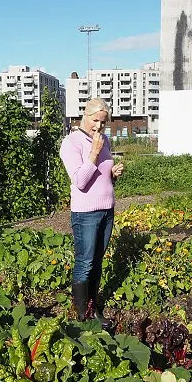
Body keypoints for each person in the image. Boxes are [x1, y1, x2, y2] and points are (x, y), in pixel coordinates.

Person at [60, 98, 124, 329]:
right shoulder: (71, 143)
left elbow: (100, 178)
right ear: (83, 117)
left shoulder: (104, 140)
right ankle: (81, 317)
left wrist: (113, 174)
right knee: (85, 262)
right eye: (94, 120)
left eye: (103, 122)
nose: (98, 126)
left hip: (107, 209)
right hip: (86, 213)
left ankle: (93, 307)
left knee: (97, 261)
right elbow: (80, 181)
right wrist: (94, 154)